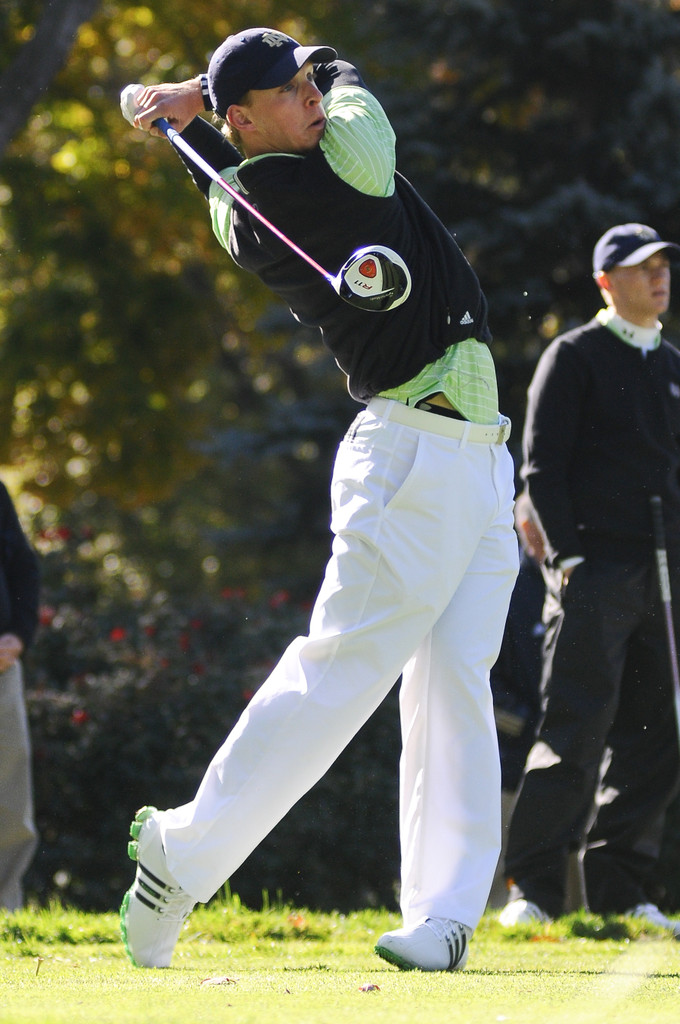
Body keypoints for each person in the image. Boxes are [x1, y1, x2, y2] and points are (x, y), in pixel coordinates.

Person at [119, 27, 518, 971]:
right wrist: (222, 91)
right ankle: (181, 855)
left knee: (456, 686)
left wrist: (189, 102)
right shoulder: (321, 169)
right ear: (247, 119)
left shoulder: (246, 177)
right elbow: (361, 117)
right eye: (289, 89)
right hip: (412, 457)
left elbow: (226, 143)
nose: (311, 93)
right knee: (338, 677)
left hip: (477, 456)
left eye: (308, 82)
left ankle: (443, 915)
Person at [499, 223, 680, 935]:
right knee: (574, 730)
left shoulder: (672, 364)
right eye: (640, 267)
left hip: (666, 579)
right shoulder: (572, 356)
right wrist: (568, 562)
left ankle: (619, 891)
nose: (658, 276)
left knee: (656, 737)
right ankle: (534, 890)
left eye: (662, 264)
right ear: (607, 282)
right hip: (592, 574)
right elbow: (541, 468)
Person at [0, 480, 41, 910]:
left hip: (0, 666)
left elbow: (24, 568)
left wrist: (19, 634)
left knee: (8, 802)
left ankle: (5, 911)